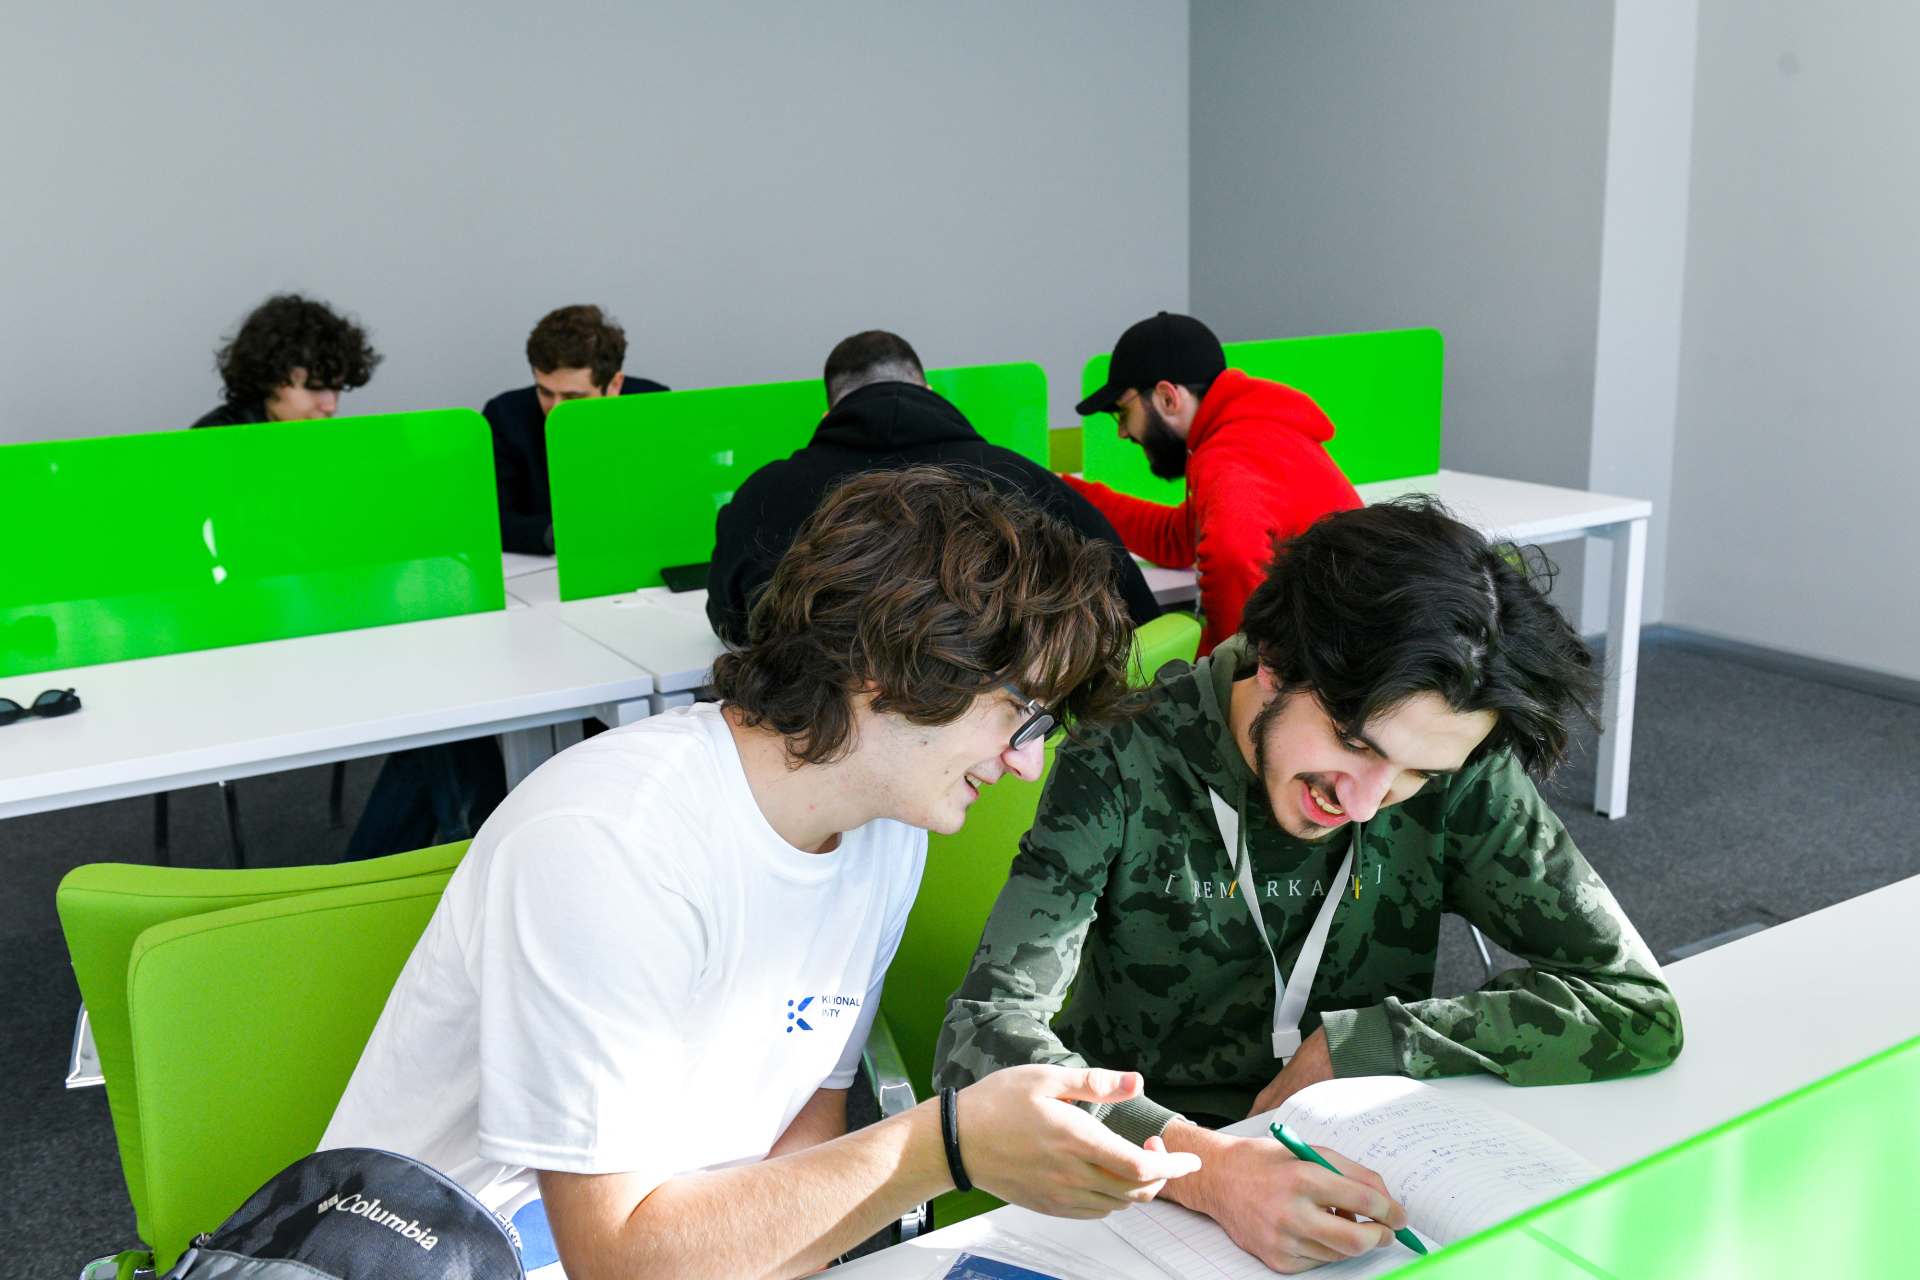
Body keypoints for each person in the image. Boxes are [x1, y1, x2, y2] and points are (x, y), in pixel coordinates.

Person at [323, 467, 1201, 1278]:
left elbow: (804, 1118)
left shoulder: (886, 828)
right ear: (890, 667)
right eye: (1018, 713)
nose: (1025, 763)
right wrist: (945, 1148)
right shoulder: (611, 840)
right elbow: (615, 1261)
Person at [936, 497, 1683, 1273]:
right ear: (1274, 663)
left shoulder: (1461, 768)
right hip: (1144, 1172)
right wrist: (1207, 1169)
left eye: (1419, 773)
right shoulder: (1124, 757)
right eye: (1356, 745)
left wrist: (1369, 1042)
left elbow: (1635, 1005)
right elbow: (981, 1036)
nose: (1364, 802)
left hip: (1360, 1158)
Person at [705, 329, 1161, 645]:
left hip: (826, 743)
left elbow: (733, 626)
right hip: (1011, 742)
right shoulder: (1021, 479)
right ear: (928, 391)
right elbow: (1136, 614)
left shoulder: (761, 497)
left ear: (829, 414)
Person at [1068, 311, 1362, 655]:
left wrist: (1217, 668)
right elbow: (1178, 538)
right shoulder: (1253, 432)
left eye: (1123, 411)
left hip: (1334, 656)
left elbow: (1231, 557)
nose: (1122, 431)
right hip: (1342, 638)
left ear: (1167, 398)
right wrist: (1068, 495)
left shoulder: (1228, 456)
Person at [482, 304, 668, 555]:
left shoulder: (652, 405)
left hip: (639, 554)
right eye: (545, 392)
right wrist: (563, 534)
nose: (556, 409)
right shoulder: (505, 416)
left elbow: (675, 499)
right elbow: (491, 519)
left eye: (573, 396)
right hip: (543, 566)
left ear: (614, 385)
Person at [190, 293, 380, 427]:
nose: (331, 406)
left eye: (337, 388)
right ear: (270, 381)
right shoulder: (212, 441)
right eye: (315, 387)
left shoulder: (323, 442)